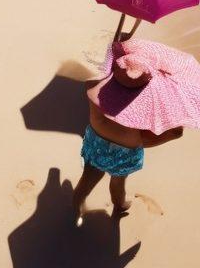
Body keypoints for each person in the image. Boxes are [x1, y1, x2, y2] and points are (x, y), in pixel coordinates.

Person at [71, 46, 184, 221]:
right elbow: (143, 141)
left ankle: (76, 208)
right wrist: (173, 133)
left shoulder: (95, 90)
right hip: (124, 153)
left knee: (87, 180)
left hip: (96, 143)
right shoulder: (143, 110)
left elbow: (96, 76)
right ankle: (119, 206)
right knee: (118, 183)